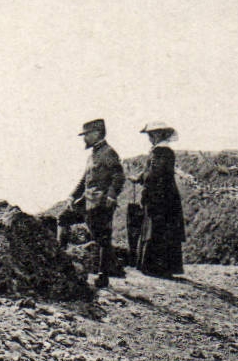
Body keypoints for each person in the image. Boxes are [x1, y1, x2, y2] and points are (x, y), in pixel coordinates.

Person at [70, 118, 124, 288]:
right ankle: (63, 264)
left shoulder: (109, 152)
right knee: (63, 218)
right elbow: (84, 179)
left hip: (101, 203)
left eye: (86, 135)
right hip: (87, 201)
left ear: (96, 134)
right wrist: (72, 197)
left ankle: (103, 275)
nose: (84, 138)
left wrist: (111, 196)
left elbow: (118, 176)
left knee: (103, 239)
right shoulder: (93, 154)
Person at [134, 121, 186, 277]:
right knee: (161, 229)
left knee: (157, 229)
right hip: (164, 195)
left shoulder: (161, 151)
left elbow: (154, 173)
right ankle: (162, 267)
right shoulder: (162, 151)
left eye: (151, 135)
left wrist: (140, 178)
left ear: (158, 135)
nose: (150, 138)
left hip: (161, 196)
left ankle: (156, 268)